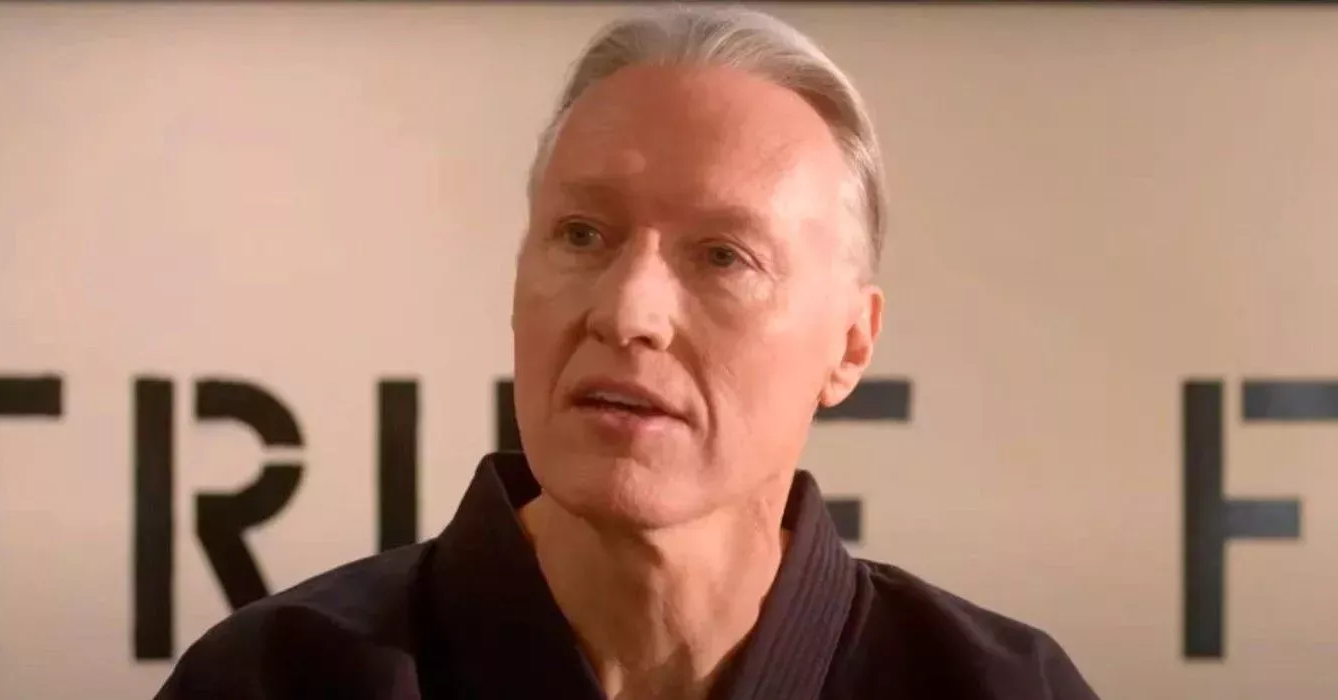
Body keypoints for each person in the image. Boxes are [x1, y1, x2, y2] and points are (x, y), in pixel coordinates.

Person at [154, 5, 1100, 699]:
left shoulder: (998, 690)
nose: (628, 311)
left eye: (723, 256)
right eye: (581, 236)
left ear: (850, 344)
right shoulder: (280, 682)